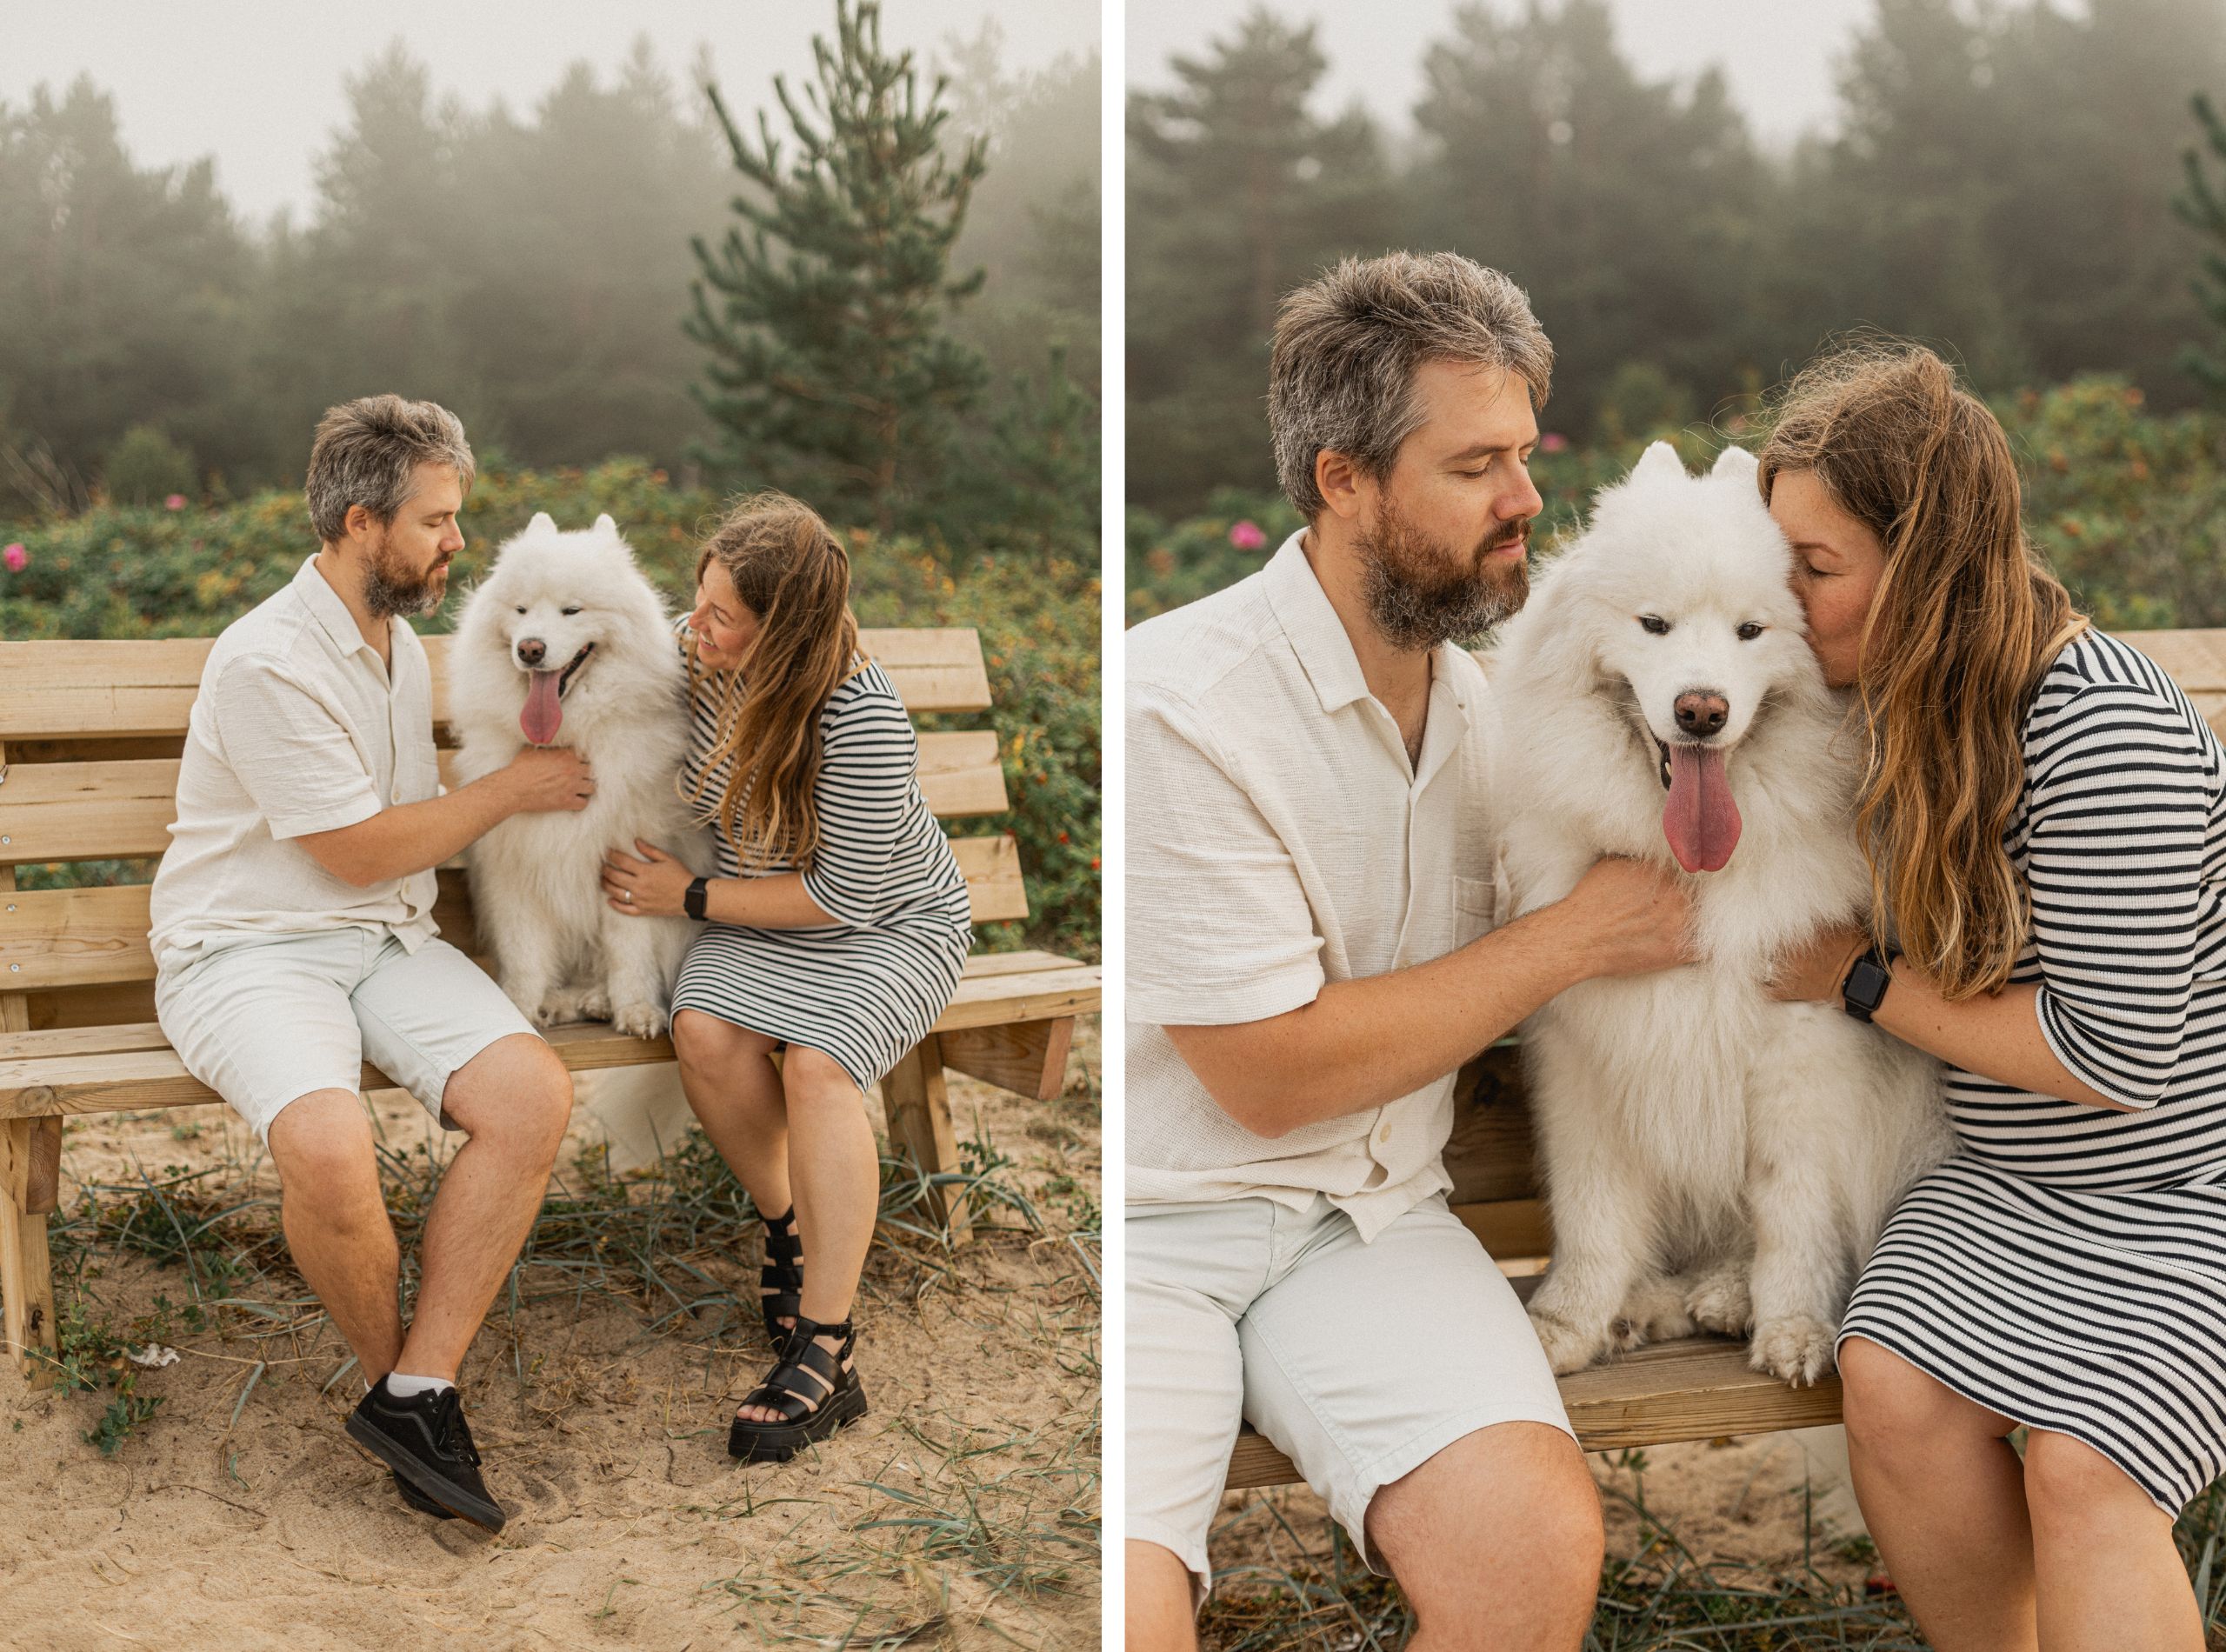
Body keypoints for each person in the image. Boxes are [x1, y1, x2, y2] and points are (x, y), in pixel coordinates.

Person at [1123, 250, 1700, 1651]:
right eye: (1476, 466)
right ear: (1342, 480)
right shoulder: (1180, 708)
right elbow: (1265, 1076)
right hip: (1159, 1235)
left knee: (1531, 1562)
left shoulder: (1503, 715)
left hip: (1377, 1226)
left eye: (1526, 455)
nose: (1525, 503)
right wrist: (1573, 937)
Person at [1761, 342, 2224, 1651]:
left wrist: (1859, 981)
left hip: (2182, 1194)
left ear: (1931, 570)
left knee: (2085, 1469)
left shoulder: (2103, 731)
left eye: (1817, 568)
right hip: (2004, 1182)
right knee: (1891, 1384)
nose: (1783, 603)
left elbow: (2113, 1058)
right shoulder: (1895, 708)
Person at [149, 396, 593, 1531]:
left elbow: (380, 867)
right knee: (332, 1149)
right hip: (245, 950)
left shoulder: (399, 643)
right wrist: (513, 791)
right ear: (361, 521)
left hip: (383, 940)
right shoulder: (266, 661)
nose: (458, 543)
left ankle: (417, 1394)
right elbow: (352, 851)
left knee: (532, 1096)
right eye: (439, 521)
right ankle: (407, 1391)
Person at [599, 491, 972, 1464]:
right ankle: (791, 1228)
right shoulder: (699, 657)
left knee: (816, 1066)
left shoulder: (862, 719)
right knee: (706, 1032)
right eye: (702, 602)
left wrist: (687, 898)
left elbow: (837, 899)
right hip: (755, 907)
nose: (700, 628)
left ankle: (827, 1346)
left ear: (788, 632)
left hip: (882, 923)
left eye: (724, 617)